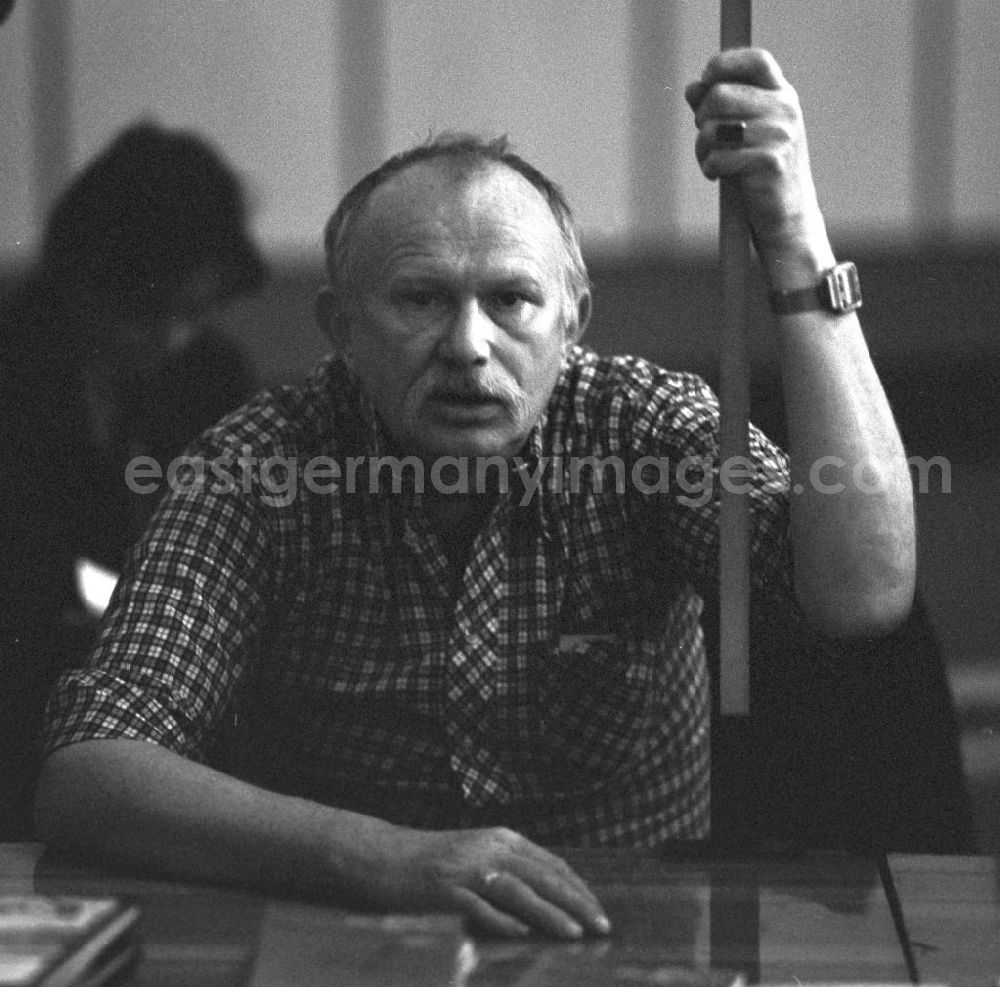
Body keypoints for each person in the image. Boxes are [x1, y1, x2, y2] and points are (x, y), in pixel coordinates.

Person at [35, 50, 915, 939]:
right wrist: (384, 856)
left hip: (630, 936)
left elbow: (864, 591)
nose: (466, 345)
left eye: (511, 300)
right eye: (420, 298)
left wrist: (795, 235)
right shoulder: (258, 466)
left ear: (575, 321)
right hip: (351, 939)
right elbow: (91, 768)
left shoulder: (643, 425)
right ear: (341, 329)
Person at [0, 122, 264, 838]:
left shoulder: (209, 372)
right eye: (151, 310)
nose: (173, 336)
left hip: (182, 672)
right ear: (84, 278)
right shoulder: (18, 368)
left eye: (195, 311)